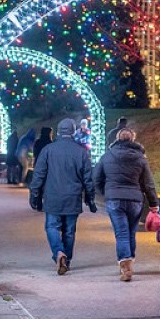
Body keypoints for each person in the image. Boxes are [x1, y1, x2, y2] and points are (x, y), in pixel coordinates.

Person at [29, 118, 95, 276]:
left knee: (52, 227)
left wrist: (34, 194)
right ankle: (67, 260)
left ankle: (59, 253)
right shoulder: (81, 152)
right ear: (73, 131)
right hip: (73, 197)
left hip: (53, 196)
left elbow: (38, 175)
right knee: (69, 231)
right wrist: (90, 198)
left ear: (58, 132)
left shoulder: (48, 150)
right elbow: (88, 178)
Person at [92, 128, 158, 282]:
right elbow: (148, 183)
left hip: (114, 199)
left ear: (117, 138)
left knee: (121, 234)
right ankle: (130, 261)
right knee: (131, 232)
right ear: (132, 139)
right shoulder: (141, 158)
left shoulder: (107, 156)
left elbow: (96, 178)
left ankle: (125, 265)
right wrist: (154, 203)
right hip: (135, 200)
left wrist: (106, 192)